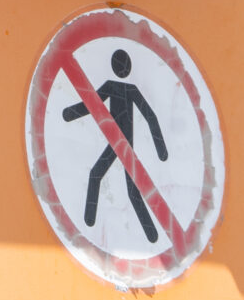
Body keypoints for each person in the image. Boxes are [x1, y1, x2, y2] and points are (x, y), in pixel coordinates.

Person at [63, 48, 167, 243]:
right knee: (120, 185)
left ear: (114, 66)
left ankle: (151, 235)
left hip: (121, 143)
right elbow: (92, 103)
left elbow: (90, 104)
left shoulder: (115, 87)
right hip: (121, 143)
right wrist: (161, 150)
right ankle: (150, 234)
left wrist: (70, 114)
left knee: (102, 178)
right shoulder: (129, 89)